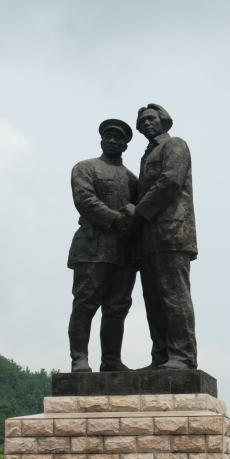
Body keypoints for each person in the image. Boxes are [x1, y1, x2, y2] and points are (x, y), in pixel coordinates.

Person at [120, 104, 198, 370]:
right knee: (153, 301)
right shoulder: (147, 155)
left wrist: (138, 211)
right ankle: (162, 357)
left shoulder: (175, 145)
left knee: (174, 295)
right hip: (149, 239)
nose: (146, 124)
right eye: (142, 121)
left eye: (151, 119)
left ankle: (183, 357)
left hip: (172, 233)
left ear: (165, 121)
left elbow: (170, 182)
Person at [66, 119, 138, 372]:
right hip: (92, 246)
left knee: (117, 307)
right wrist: (115, 218)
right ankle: (79, 359)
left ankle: (111, 361)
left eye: (118, 138)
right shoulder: (85, 168)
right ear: (101, 140)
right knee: (85, 303)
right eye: (108, 136)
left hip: (124, 253)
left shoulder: (133, 179)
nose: (112, 141)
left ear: (125, 145)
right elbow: (84, 199)